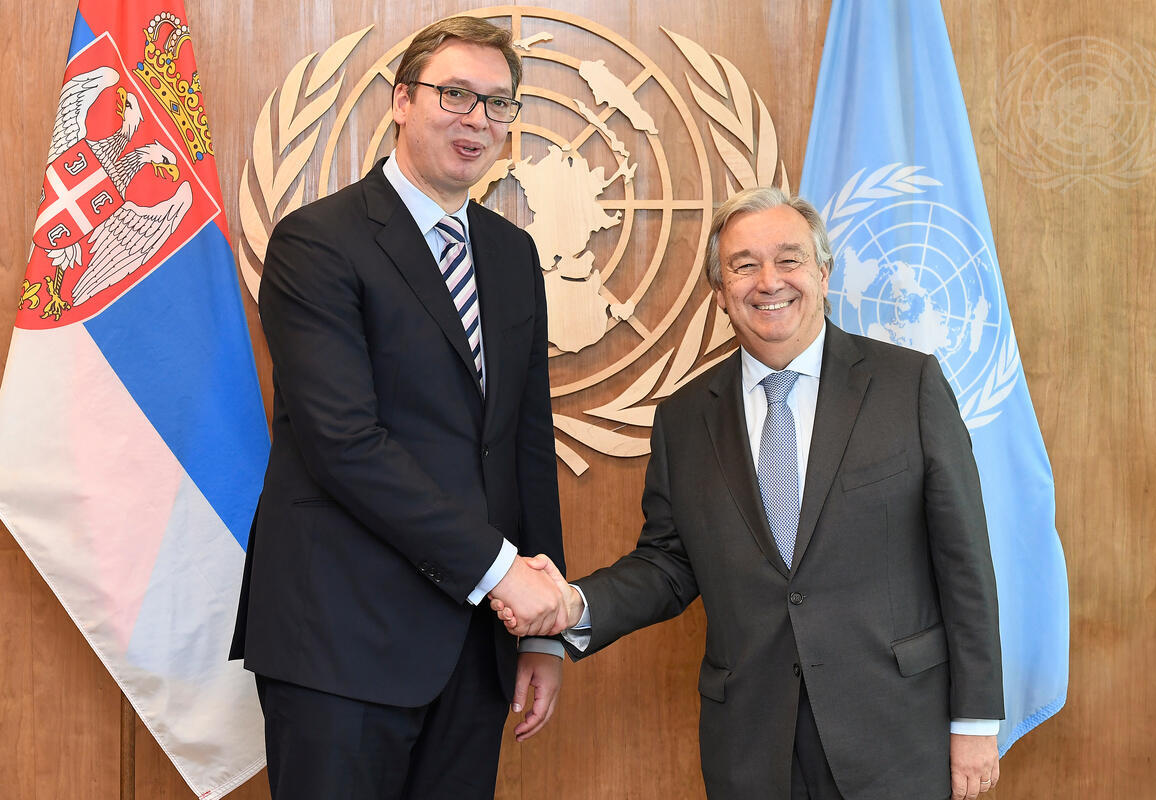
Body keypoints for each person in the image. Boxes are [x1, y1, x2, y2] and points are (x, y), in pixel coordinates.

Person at [495, 187, 1004, 800]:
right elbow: (668, 565)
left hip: (896, 734)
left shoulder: (908, 385)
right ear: (720, 290)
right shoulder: (685, 418)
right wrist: (573, 606)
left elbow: (964, 563)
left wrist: (975, 722)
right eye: (744, 265)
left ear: (822, 272)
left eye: (789, 260)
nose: (769, 282)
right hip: (753, 745)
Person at [230, 16, 567, 800]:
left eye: (498, 103)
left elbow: (524, 444)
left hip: (475, 648)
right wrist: (503, 574)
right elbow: (345, 443)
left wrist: (544, 630)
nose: (477, 119)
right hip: (340, 641)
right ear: (402, 101)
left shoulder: (512, 254)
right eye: (456, 95)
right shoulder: (318, 242)